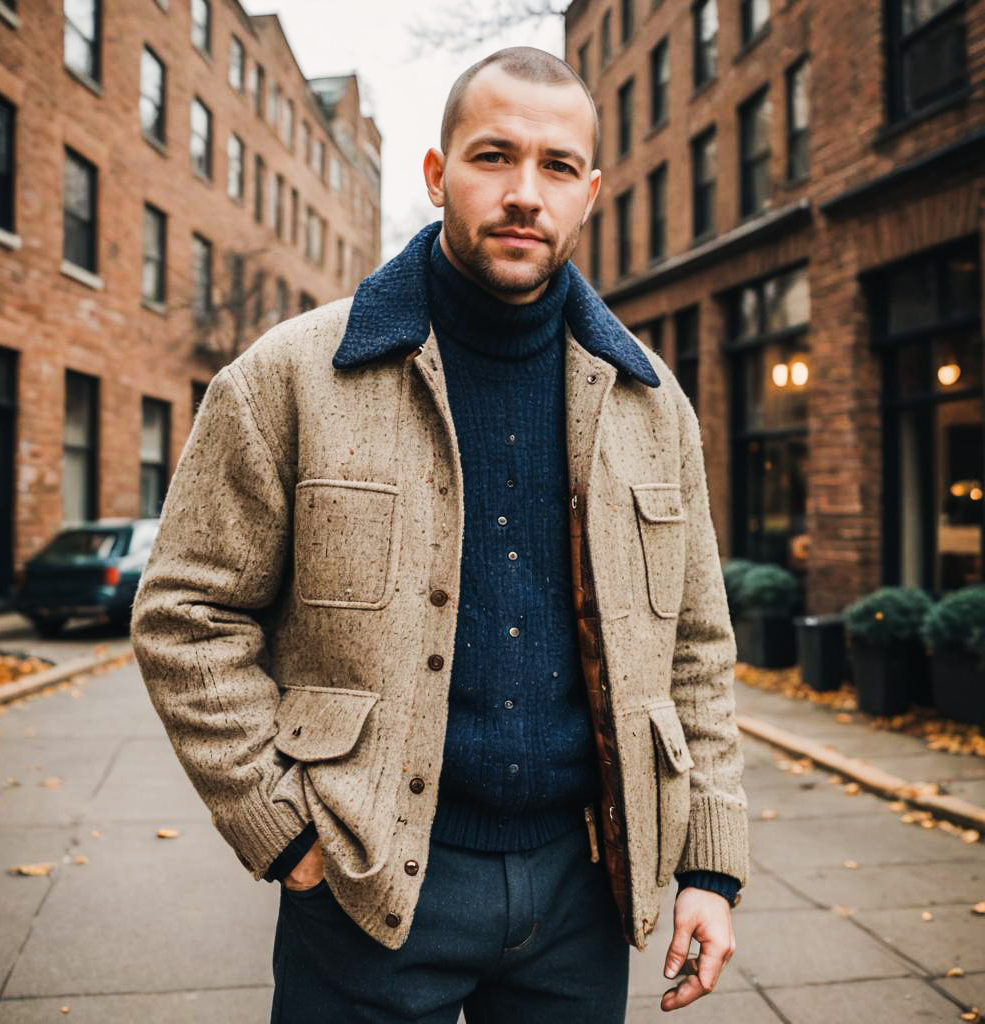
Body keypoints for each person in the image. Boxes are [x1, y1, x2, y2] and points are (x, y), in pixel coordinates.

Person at [130, 45, 749, 1024]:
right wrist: (281, 828)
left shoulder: (650, 403)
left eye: (554, 168)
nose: (522, 194)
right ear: (435, 173)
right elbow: (185, 614)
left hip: (582, 894)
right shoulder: (291, 375)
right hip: (364, 888)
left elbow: (698, 651)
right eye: (492, 156)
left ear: (589, 193)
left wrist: (710, 864)